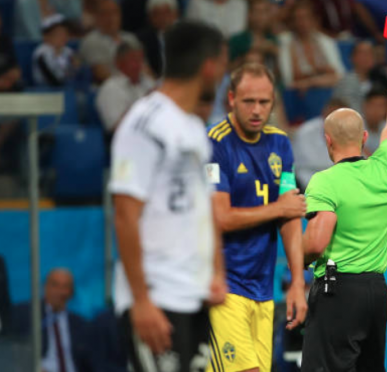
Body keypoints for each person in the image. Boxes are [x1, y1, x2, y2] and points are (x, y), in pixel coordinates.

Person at [110, 21, 227, 372]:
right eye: (223, 63)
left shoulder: (192, 127)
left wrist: (216, 272)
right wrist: (141, 301)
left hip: (196, 294)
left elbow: (205, 207)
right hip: (158, 295)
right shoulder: (145, 123)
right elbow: (124, 214)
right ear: (209, 65)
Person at [301, 34, 387, 372]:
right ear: (365, 138)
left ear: (327, 140)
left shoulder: (324, 181)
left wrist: (299, 255)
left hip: (338, 291)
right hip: (376, 292)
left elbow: (318, 241)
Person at [205, 62, 308, 372]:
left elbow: (290, 218)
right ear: (232, 99)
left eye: (264, 102)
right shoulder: (214, 143)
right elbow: (220, 217)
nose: (256, 110)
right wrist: (279, 208)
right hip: (224, 287)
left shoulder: (280, 143)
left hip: (263, 290)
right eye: (249, 101)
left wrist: (297, 283)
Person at [11, 269, 94, 372]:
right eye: (55, 285)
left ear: (71, 292)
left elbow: (91, 360)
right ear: (44, 287)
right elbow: (14, 350)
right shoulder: (27, 314)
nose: (60, 291)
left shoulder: (80, 324)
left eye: (65, 286)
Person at [278, 0, 345, 90]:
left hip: (326, 89)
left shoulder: (326, 41)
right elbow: (289, 79)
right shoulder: (285, 41)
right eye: (298, 18)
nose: (302, 22)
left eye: (306, 17)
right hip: (296, 93)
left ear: (314, 20)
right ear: (292, 22)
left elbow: (339, 75)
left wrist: (310, 81)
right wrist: (322, 71)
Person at [300, 0, 384, 42]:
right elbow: (308, 22)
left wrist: (375, 32)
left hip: (348, 37)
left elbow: (359, 10)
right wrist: (331, 37)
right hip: (324, 40)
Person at [96, 41, 155, 134]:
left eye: (140, 59)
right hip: (126, 142)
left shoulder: (148, 83)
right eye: (133, 60)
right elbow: (117, 127)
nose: (138, 65)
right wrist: (145, 103)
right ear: (118, 63)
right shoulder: (110, 88)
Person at [79, 0, 140, 84]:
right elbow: (100, 73)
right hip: (112, 87)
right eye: (106, 13)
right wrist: (128, 85)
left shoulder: (130, 38)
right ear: (97, 17)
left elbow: (144, 67)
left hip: (137, 85)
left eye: (115, 12)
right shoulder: (91, 40)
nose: (112, 17)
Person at [293, 98, 347, 188]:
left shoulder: (350, 133)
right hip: (306, 180)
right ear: (324, 114)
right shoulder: (306, 131)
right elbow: (307, 165)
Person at [136, 0, 179, 78]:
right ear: (150, 17)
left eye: (167, 13)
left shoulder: (184, 36)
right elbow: (144, 67)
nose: (162, 18)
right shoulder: (142, 39)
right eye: (157, 14)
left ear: (175, 14)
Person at [228, 0, 279, 72]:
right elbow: (227, 69)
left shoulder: (273, 39)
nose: (261, 16)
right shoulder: (237, 40)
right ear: (249, 15)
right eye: (257, 11)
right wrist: (247, 56)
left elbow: (281, 73)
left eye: (264, 12)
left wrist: (277, 53)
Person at [332, 41, 378, 113]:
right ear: (352, 57)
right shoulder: (347, 82)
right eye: (363, 53)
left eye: (370, 53)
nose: (367, 57)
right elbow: (350, 111)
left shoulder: (379, 81)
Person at [32, 15, 78, 87]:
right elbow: (52, 79)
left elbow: (77, 73)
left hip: (67, 88)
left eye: (65, 33)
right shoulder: (42, 53)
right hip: (46, 91)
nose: (63, 36)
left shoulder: (68, 51)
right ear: (46, 36)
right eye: (59, 33)